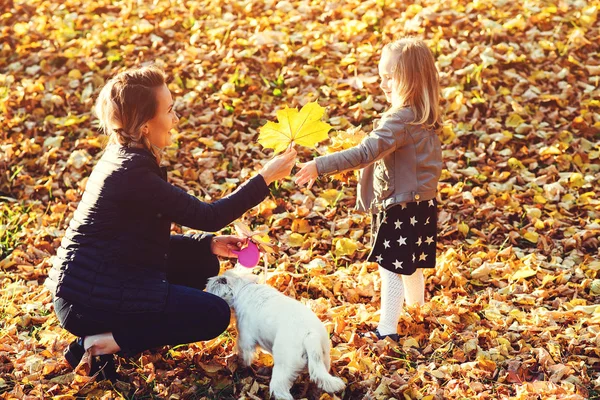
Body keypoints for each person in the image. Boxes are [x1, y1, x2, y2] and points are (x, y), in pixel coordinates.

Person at [44, 65, 297, 380]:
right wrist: (265, 177)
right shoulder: (131, 172)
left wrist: (209, 244)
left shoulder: (125, 156)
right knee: (213, 315)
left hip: (103, 281)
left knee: (203, 262)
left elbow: (132, 243)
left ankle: (124, 335)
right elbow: (210, 215)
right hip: (86, 302)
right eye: (170, 111)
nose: (175, 119)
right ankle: (97, 342)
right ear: (146, 124)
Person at [295, 37, 443, 341]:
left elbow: (365, 153)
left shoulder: (400, 120)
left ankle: (387, 330)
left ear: (412, 80)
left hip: (399, 208)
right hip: (421, 206)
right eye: (381, 77)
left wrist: (320, 165)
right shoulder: (423, 115)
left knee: (390, 267)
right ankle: (418, 313)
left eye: (391, 77)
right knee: (411, 265)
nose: (384, 84)